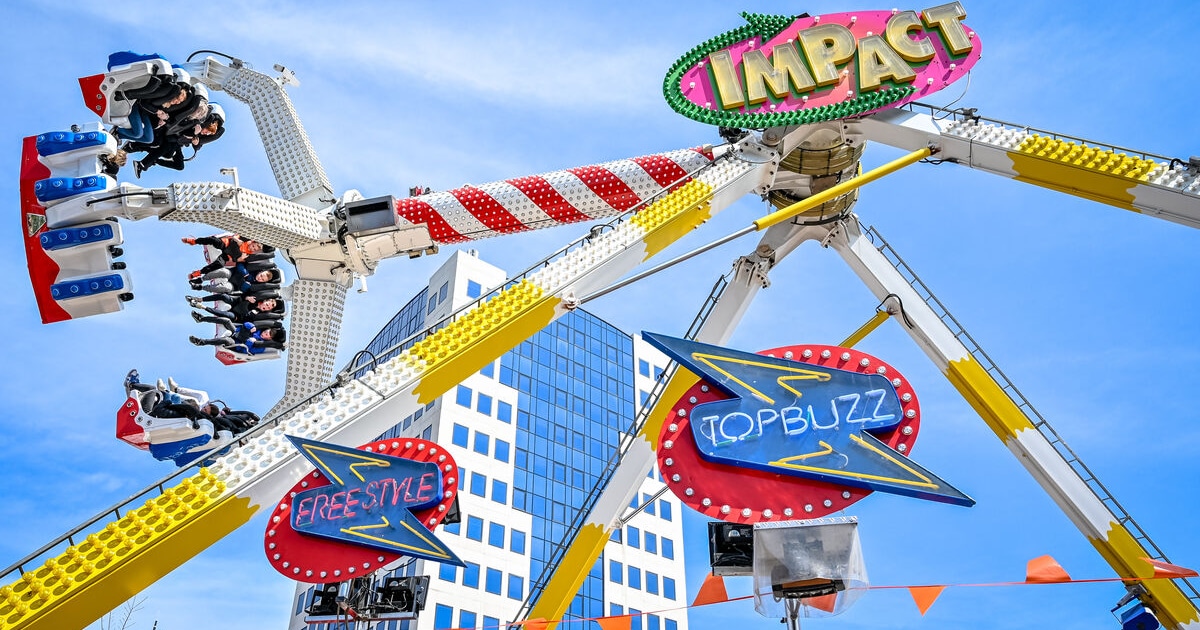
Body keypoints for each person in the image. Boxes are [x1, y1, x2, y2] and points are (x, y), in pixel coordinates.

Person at [182, 234, 265, 277]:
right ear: (252, 243)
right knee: (213, 240)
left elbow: (235, 260)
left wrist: (241, 258)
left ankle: (200, 272)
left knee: (219, 264)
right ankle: (194, 241)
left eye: (254, 249)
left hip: (228, 255)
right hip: (226, 244)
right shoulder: (246, 239)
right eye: (253, 246)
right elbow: (234, 236)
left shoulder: (247, 255)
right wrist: (238, 240)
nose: (252, 248)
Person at [189, 323, 286, 356]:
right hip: (236, 332)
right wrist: (251, 326)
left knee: (226, 340)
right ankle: (201, 318)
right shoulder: (258, 329)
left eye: (268, 335)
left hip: (236, 344)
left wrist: (250, 342)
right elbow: (246, 324)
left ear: (269, 338)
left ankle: (201, 342)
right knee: (226, 320)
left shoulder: (261, 347)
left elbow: (246, 351)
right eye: (268, 331)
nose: (266, 333)